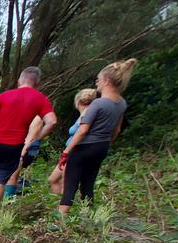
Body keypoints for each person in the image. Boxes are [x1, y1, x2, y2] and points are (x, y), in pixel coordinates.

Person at [0, 67, 57, 209]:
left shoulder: (6, 94)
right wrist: (36, 139)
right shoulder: (41, 99)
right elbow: (52, 122)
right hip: (14, 146)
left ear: (20, 79)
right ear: (37, 82)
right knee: (0, 181)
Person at [57, 59, 137, 214]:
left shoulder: (98, 104)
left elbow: (82, 130)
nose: (97, 82)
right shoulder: (122, 103)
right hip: (102, 147)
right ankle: (89, 218)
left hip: (83, 147)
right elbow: (117, 129)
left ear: (107, 81)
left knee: (70, 185)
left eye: (98, 79)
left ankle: (61, 220)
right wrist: (106, 144)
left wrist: (66, 152)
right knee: (88, 184)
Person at [48, 88, 98, 197]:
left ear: (77, 102)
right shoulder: (84, 114)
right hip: (70, 152)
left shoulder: (86, 115)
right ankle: (60, 202)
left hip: (74, 151)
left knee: (66, 185)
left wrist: (67, 152)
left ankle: (65, 205)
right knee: (53, 179)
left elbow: (82, 132)